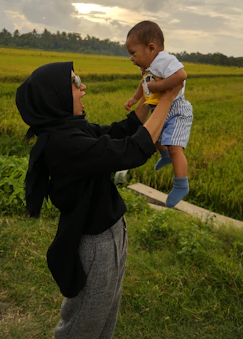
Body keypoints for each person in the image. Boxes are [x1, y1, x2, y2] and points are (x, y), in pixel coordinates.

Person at [15, 61, 182, 339]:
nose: (83, 88)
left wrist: (152, 98)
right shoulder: (63, 144)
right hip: (95, 247)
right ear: (54, 95)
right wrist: (167, 98)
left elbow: (119, 132)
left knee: (104, 322)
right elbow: (129, 151)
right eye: (74, 82)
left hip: (112, 235)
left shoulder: (71, 129)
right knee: (82, 327)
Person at [124, 20, 193, 208]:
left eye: (133, 53)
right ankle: (165, 156)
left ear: (151, 48)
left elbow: (181, 76)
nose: (131, 58)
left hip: (177, 110)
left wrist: (158, 86)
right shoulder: (148, 66)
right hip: (161, 108)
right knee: (151, 136)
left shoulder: (163, 60)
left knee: (174, 147)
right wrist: (135, 98)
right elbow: (143, 83)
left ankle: (181, 184)